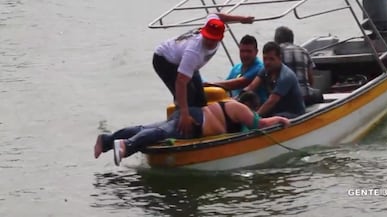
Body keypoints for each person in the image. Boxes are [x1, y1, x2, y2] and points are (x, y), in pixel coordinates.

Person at [93, 92, 289, 166]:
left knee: (147, 128)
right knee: (162, 132)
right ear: (249, 106)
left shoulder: (231, 105)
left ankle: (107, 140)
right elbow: (260, 123)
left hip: (195, 118)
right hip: (196, 121)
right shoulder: (240, 108)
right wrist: (280, 119)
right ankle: (127, 146)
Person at [153, 13, 255, 137]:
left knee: (200, 99)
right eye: (207, 37)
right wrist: (185, 114)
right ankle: (179, 128)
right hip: (165, 59)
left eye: (213, 39)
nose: (209, 41)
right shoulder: (194, 52)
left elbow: (215, 15)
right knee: (188, 98)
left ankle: (200, 128)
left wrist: (241, 19)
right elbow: (181, 82)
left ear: (220, 38)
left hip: (186, 61)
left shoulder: (213, 25)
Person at [243, 41, 305, 119]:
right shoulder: (265, 70)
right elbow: (251, 87)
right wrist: (235, 101)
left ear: (279, 58)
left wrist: (254, 119)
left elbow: (272, 101)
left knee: (270, 116)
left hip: (293, 114)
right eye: (265, 59)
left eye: (271, 59)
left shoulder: (286, 76)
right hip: (276, 111)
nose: (267, 62)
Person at [205, 34, 267, 103]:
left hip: (254, 108)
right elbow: (224, 86)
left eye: (248, 51)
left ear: (256, 52)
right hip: (235, 103)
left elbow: (237, 83)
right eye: (242, 51)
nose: (245, 55)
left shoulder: (260, 67)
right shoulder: (236, 68)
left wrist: (209, 84)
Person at [274, 26, 323, 106]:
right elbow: (311, 79)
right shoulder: (304, 51)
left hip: (285, 99)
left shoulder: (275, 53)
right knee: (318, 93)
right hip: (305, 97)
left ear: (276, 40)